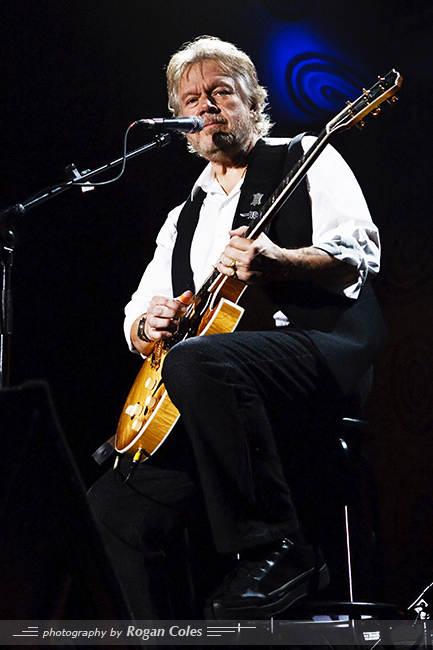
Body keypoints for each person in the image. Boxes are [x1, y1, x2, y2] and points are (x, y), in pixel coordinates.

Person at [88, 35, 387, 621]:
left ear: (253, 102)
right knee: (113, 505)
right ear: (178, 124)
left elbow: (358, 254)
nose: (206, 107)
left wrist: (277, 260)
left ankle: (281, 546)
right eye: (191, 100)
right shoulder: (184, 216)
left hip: (315, 354)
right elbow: (134, 315)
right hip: (215, 392)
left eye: (221, 93)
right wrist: (149, 324)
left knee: (197, 359)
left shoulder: (307, 156)